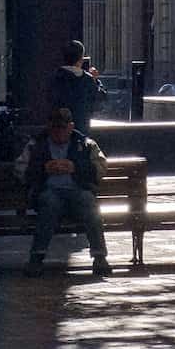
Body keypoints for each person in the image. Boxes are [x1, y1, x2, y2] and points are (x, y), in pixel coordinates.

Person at [22, 105, 114, 277]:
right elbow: (20, 169)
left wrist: (75, 167)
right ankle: (37, 257)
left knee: (89, 203)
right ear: (49, 127)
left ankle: (99, 256)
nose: (58, 133)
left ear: (70, 127)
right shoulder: (36, 144)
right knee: (49, 204)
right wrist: (43, 169)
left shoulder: (85, 144)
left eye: (62, 129)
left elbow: (101, 167)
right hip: (49, 191)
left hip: (77, 190)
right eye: (54, 129)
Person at [46, 38, 100, 136]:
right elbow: (98, 100)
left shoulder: (54, 78)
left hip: (58, 131)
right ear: (81, 59)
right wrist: (96, 80)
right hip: (81, 130)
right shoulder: (88, 80)